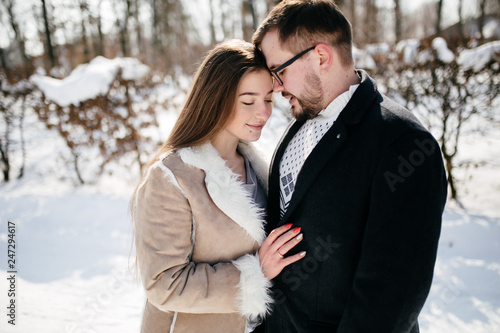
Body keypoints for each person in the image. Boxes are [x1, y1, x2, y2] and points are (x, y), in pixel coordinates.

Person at [251, 1, 448, 332]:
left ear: (322, 57)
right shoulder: (300, 125)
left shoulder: (403, 144)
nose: (276, 86)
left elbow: (389, 298)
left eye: (279, 71)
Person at [131, 39, 306, 333]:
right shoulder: (172, 178)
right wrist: (255, 273)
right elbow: (163, 285)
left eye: (267, 100)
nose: (263, 113)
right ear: (215, 99)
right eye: (248, 101)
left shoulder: (260, 167)